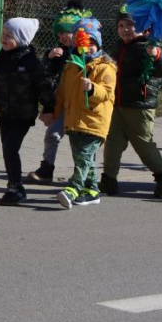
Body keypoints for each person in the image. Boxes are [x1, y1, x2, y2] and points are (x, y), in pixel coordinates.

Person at [100, 8, 162, 198]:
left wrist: (156, 55)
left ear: (143, 26)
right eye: (121, 25)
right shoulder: (119, 45)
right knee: (113, 142)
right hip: (117, 103)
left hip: (139, 105)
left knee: (143, 145)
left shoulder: (148, 45)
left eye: (131, 25)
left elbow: (161, 69)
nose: (125, 29)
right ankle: (108, 179)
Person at [0, 17, 54, 206]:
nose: (4, 38)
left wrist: (49, 108)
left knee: (10, 148)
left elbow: (44, 86)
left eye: (9, 35)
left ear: (22, 38)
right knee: (7, 149)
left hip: (22, 114)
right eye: (3, 34)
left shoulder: (31, 62)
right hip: (3, 113)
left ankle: (16, 187)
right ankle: (14, 185)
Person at [55, 17, 116, 209]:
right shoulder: (71, 65)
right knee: (83, 158)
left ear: (98, 44)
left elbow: (107, 93)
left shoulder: (105, 67)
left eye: (92, 43)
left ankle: (72, 189)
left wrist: (92, 88)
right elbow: (63, 93)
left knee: (83, 157)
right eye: (84, 42)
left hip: (94, 121)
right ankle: (92, 190)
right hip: (74, 121)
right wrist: (53, 112)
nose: (87, 47)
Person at [28, 2, 92, 184]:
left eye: (67, 32)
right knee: (53, 134)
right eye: (59, 33)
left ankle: (84, 174)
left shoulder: (87, 52)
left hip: (81, 104)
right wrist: (49, 59)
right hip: (63, 102)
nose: (62, 36)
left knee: (80, 141)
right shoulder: (58, 53)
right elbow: (46, 75)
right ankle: (46, 169)